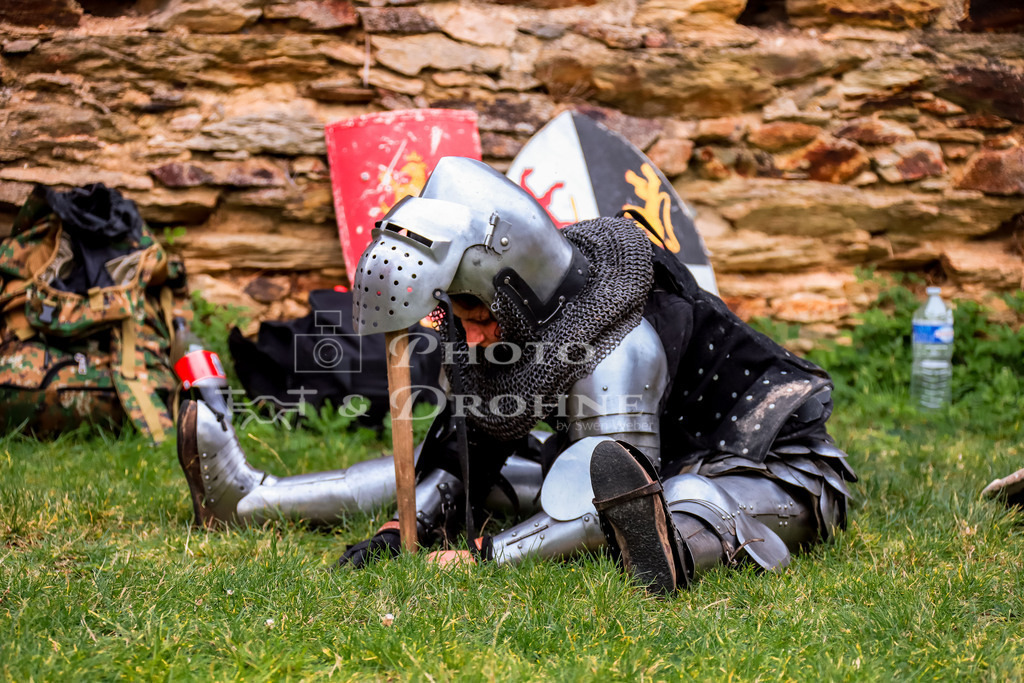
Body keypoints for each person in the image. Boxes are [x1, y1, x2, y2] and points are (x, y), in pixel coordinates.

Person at [176, 157, 856, 592]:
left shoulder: (619, 341)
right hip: (650, 463)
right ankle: (249, 498)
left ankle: (675, 553)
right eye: (459, 311)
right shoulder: (520, 316)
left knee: (683, 502)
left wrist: (485, 556)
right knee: (495, 476)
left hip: (772, 463)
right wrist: (398, 529)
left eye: (476, 309)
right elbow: (464, 458)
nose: (469, 331)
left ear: (516, 283)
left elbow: (612, 496)